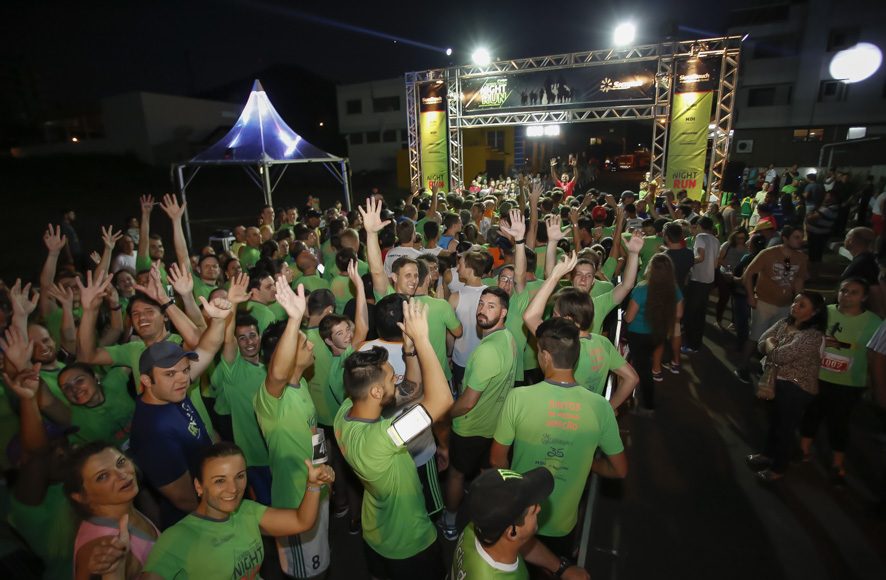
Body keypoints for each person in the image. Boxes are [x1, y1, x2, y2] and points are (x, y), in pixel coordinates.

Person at [334, 299, 453, 579]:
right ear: (376, 393)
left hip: (375, 533)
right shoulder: (386, 437)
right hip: (409, 544)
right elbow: (442, 400)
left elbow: (410, 388)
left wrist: (409, 350)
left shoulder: (345, 412)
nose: (395, 382)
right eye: (390, 380)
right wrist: (423, 341)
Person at [491, 318, 626, 561]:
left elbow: (496, 459)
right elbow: (620, 469)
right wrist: (589, 464)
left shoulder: (518, 398)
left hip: (520, 518)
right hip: (563, 524)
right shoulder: (600, 407)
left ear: (545, 356)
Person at [140, 442, 334, 579]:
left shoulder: (247, 511)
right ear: (199, 486)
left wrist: (313, 485)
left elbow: (301, 522)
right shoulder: (177, 538)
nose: (233, 489)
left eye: (240, 476)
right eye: (220, 481)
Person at [442, 286, 518, 538]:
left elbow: (467, 403)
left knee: (456, 474)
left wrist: (445, 415)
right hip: (494, 426)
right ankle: (487, 524)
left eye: (491, 306)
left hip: (469, 427)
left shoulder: (487, 351)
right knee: (487, 476)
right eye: (481, 304)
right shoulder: (508, 338)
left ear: (504, 312)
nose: (482, 310)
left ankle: (450, 522)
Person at [800, 278, 881, 484]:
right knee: (811, 413)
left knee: (839, 422)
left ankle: (837, 463)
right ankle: (803, 450)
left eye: (854, 292)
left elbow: (877, 355)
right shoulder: (824, 312)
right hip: (817, 375)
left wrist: (872, 382)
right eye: (844, 291)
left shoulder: (874, 323)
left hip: (849, 382)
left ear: (864, 297)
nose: (847, 296)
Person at [746, 291, 827, 482]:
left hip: (796, 387)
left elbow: (779, 355)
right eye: (795, 302)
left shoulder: (813, 336)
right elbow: (760, 343)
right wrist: (769, 346)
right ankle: (767, 455)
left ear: (815, 312)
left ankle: (778, 468)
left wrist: (771, 345)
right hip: (776, 382)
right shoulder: (784, 323)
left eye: (802, 305)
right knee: (775, 423)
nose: (794, 306)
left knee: (785, 429)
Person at [452, 467, 588, 580]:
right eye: (533, 510)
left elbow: (521, 542)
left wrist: (560, 568)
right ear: (512, 532)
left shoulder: (481, 524)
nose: (539, 508)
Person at [65, 442, 160, 580]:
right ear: (81, 497)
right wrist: (113, 574)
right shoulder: (106, 546)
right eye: (103, 476)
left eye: (121, 462)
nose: (122, 474)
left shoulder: (123, 510)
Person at [735, 226, 808, 383]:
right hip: (764, 302)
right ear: (785, 238)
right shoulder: (768, 254)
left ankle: (766, 370)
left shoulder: (801, 258)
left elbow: (799, 280)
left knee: (777, 340)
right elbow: (748, 274)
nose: (800, 240)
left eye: (801, 237)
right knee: (755, 337)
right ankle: (743, 366)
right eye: (796, 237)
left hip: (785, 306)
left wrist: (799, 302)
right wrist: (751, 296)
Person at [624, 254, 683, 411]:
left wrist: (624, 314)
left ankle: (648, 403)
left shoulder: (641, 289)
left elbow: (629, 318)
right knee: (646, 363)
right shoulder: (674, 289)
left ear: (650, 269)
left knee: (643, 368)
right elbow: (679, 314)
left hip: (638, 335)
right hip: (658, 333)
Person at [682, 217, 718, 353]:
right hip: (708, 280)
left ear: (699, 226)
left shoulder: (700, 237)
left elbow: (700, 257)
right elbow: (715, 263)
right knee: (700, 314)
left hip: (698, 280)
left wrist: (686, 260)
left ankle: (691, 344)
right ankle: (696, 343)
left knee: (690, 314)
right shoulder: (715, 240)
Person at [715, 228, 749, 330]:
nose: (741, 240)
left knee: (736, 300)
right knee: (723, 298)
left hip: (738, 276)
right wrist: (728, 267)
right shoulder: (727, 245)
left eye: (743, 238)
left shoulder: (747, 247)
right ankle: (718, 320)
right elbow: (719, 259)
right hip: (725, 275)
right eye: (738, 238)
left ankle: (734, 322)